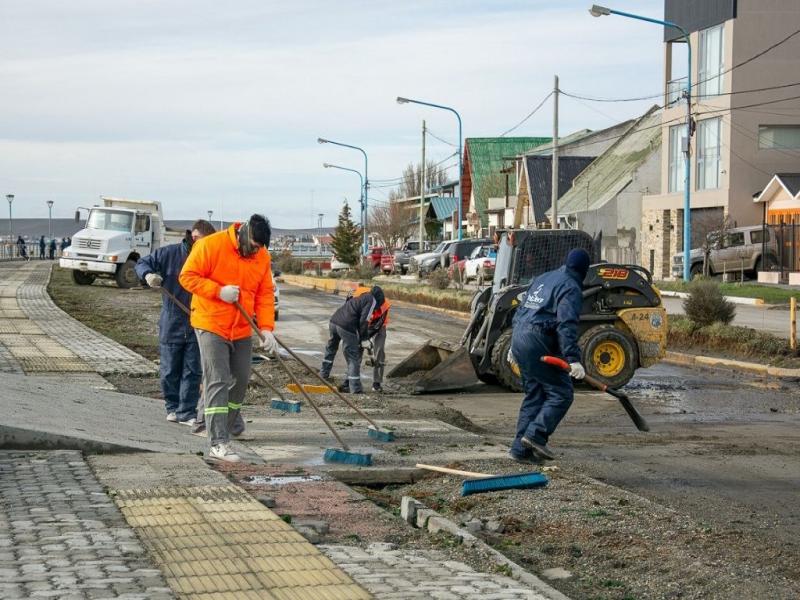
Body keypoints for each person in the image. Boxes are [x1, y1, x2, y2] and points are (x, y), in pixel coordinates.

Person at [179, 214, 276, 463]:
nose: (255, 250)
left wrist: (266, 328)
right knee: (217, 379)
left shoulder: (261, 256)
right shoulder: (211, 245)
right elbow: (187, 276)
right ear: (243, 233)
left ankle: (226, 427)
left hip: (242, 328)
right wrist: (218, 291)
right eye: (253, 245)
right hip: (211, 323)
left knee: (241, 380)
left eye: (259, 247)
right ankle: (217, 441)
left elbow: (264, 293)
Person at [508, 248, 590, 463]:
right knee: (561, 393)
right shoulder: (570, 286)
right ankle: (535, 435)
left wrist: (513, 344)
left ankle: (520, 451)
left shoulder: (544, 278)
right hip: (538, 339)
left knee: (534, 395)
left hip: (520, 336)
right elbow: (566, 324)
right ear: (584, 270)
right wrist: (573, 359)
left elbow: (521, 310)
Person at [135, 220, 216, 427]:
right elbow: (142, 263)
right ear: (194, 237)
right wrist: (148, 275)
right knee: (170, 368)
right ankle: (172, 407)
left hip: (198, 320)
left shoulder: (209, 258)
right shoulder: (170, 254)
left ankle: (187, 411)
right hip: (172, 319)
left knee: (193, 369)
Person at [319, 284, 385, 394]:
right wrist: (364, 339)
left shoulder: (361, 297)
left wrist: (363, 337)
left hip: (334, 321)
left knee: (331, 349)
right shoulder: (372, 300)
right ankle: (355, 389)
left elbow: (355, 315)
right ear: (378, 299)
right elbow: (364, 321)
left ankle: (323, 375)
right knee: (353, 357)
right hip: (346, 326)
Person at [349, 284, 390, 392]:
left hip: (379, 326)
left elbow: (377, 326)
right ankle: (351, 379)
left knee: (379, 351)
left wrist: (366, 339)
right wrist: (363, 338)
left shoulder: (384, 306)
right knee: (357, 349)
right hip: (362, 323)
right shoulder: (358, 296)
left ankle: (377, 383)